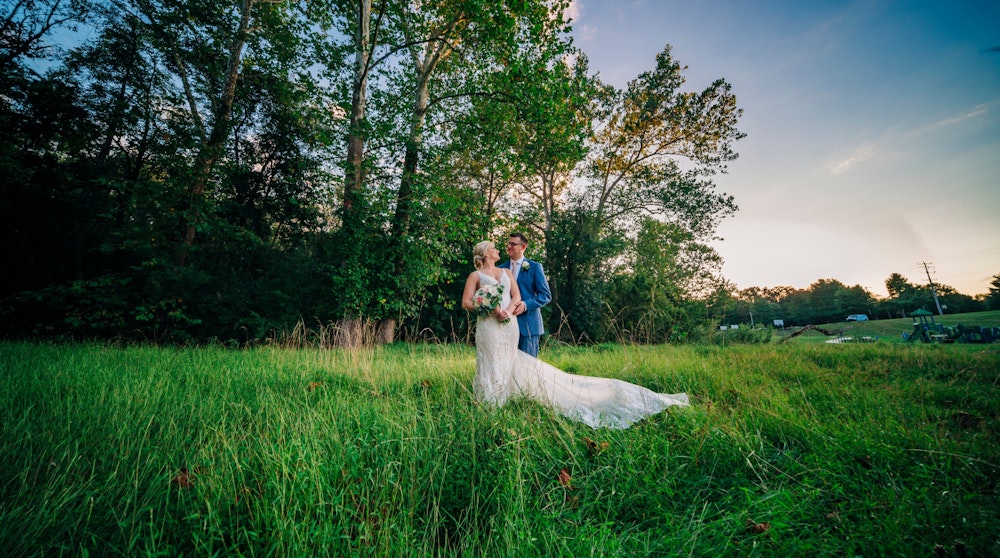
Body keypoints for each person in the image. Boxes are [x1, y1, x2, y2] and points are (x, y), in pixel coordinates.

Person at [463, 240, 689, 429]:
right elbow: (466, 302)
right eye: (494, 247)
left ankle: (506, 396)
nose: (499, 249)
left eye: (504, 245)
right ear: (484, 253)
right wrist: (488, 308)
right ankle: (491, 400)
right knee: (490, 359)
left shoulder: (508, 272)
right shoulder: (475, 275)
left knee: (511, 358)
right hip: (489, 326)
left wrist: (508, 312)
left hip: (509, 323)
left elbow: (517, 295)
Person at [499, 233, 551, 357]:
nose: (509, 246)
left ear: (523, 247)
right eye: (508, 243)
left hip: (528, 324)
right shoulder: (500, 269)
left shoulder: (534, 267)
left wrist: (526, 304)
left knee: (527, 367)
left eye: (513, 244)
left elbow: (545, 295)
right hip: (505, 325)